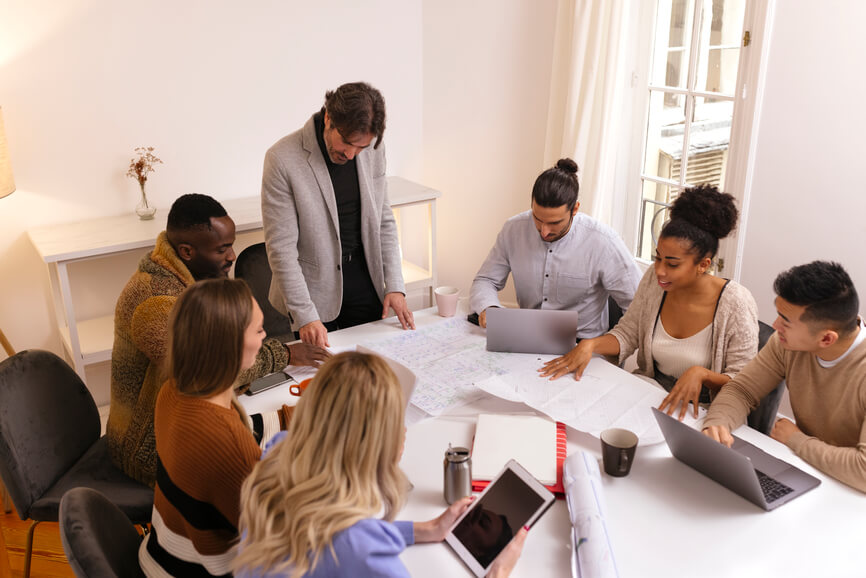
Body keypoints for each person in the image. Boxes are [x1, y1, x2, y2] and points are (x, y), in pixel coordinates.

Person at [233, 352, 528, 577]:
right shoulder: (360, 550)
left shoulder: (277, 451)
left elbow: (335, 531)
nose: (404, 430)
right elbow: (353, 541)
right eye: (395, 419)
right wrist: (499, 572)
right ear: (371, 441)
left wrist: (428, 528)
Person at [107, 193, 328, 486]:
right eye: (222, 249)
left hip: (190, 423)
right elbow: (207, 373)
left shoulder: (193, 276)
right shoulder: (157, 303)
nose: (232, 256)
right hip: (150, 449)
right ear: (186, 251)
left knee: (308, 430)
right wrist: (283, 355)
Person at [541, 186, 758, 419]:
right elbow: (628, 333)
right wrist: (590, 345)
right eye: (658, 258)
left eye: (672, 264)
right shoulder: (655, 283)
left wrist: (702, 375)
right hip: (650, 394)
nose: (660, 271)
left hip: (705, 413)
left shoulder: (736, 303)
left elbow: (745, 385)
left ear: (703, 265)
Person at [139, 278, 298, 575]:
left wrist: (303, 415)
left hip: (161, 555)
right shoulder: (224, 441)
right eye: (259, 330)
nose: (264, 338)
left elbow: (242, 428)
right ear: (230, 345)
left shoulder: (175, 391)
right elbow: (280, 538)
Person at [262, 82, 414, 350]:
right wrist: (305, 315)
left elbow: (383, 220)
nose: (351, 154)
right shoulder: (282, 158)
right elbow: (281, 250)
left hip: (366, 280)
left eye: (361, 148)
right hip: (313, 292)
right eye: (346, 143)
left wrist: (395, 285)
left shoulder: (374, 148)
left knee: (371, 369)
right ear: (329, 118)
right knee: (324, 381)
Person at [702, 261, 866, 493]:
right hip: (806, 470)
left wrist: (797, 440)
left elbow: (863, 471)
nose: (775, 325)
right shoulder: (785, 344)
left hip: (851, 494)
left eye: (785, 321)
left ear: (827, 339)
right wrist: (718, 422)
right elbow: (742, 390)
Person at [470, 158, 640, 339]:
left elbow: (639, 306)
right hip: (528, 337)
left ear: (575, 209)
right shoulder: (513, 229)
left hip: (583, 346)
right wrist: (489, 307)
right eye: (537, 218)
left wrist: (610, 344)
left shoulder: (604, 242)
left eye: (554, 223)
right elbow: (485, 280)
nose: (544, 231)